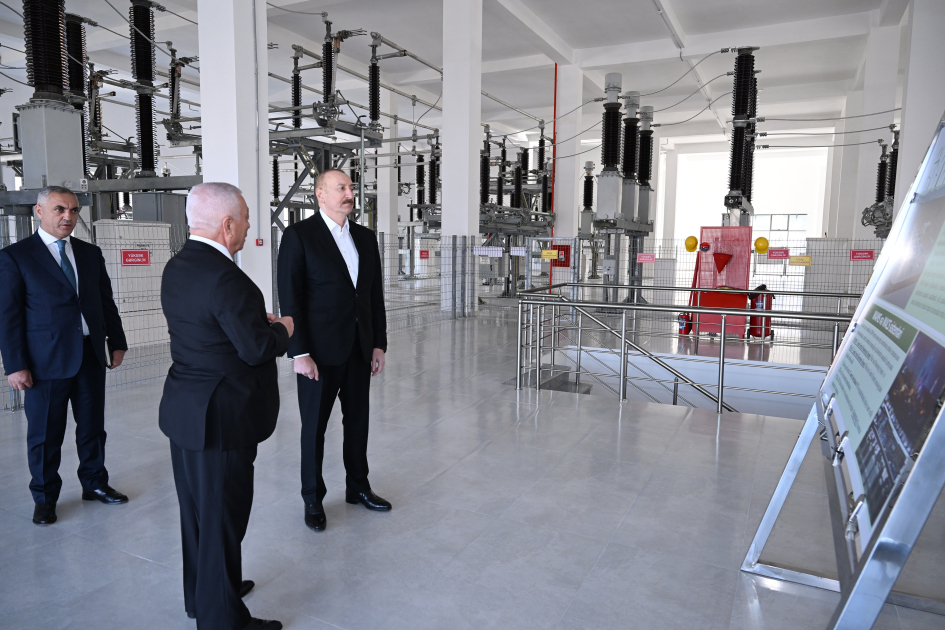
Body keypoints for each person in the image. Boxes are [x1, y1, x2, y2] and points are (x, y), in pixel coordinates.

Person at [160, 182, 293, 630]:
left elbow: (210, 327)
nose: (250, 225)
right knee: (221, 519)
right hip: (222, 418)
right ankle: (222, 621)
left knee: (198, 516)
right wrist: (283, 328)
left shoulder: (178, 266)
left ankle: (204, 594)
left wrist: (254, 322)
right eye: (247, 218)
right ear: (227, 224)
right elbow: (256, 349)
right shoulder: (227, 278)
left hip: (186, 410)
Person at [0, 185, 129, 526]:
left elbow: (105, 302)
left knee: (92, 427)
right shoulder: (16, 257)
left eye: (73, 210)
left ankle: (94, 483)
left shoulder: (89, 254)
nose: (68, 216)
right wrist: (15, 365)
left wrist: (117, 342)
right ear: (39, 211)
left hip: (89, 355)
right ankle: (44, 498)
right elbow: (8, 317)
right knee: (45, 435)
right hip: (44, 362)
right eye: (59, 209)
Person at [277, 168, 389, 533]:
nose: (349, 194)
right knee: (314, 428)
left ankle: (358, 487)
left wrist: (378, 343)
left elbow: (373, 296)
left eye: (351, 188)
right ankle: (312, 497)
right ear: (320, 194)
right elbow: (290, 299)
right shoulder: (299, 236)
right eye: (341, 187)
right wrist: (299, 352)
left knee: (358, 422)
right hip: (318, 354)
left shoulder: (365, 238)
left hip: (358, 348)